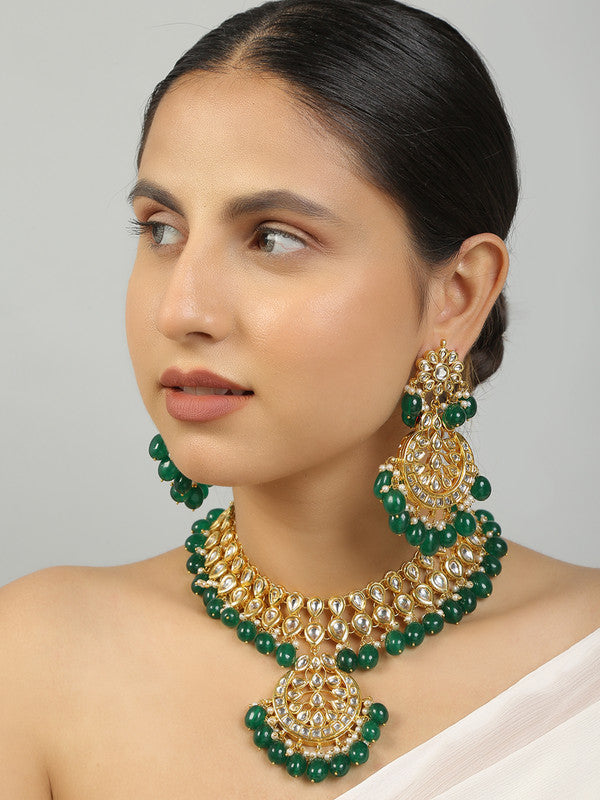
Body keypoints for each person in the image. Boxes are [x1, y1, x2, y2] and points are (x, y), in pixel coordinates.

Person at [1, 0, 599, 797]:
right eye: (162, 229)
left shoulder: (583, 659)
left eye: (274, 238)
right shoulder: (36, 660)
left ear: (456, 295)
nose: (181, 310)